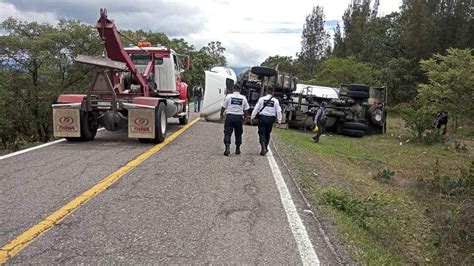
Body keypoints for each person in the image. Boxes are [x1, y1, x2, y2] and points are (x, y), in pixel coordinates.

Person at [251, 88, 282, 156]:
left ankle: (263, 147)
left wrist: (252, 117)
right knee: (267, 133)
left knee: (261, 132)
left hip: (262, 118)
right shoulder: (275, 101)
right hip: (271, 119)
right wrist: (279, 120)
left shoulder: (261, 99)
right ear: (272, 93)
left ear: (266, 92)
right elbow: (278, 111)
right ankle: (265, 147)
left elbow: (256, 108)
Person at [220, 84, 250, 156]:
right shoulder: (243, 98)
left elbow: (223, 106)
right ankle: (237, 149)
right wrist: (245, 118)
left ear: (233, 89)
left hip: (230, 116)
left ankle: (227, 147)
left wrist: (221, 114)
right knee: (238, 133)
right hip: (239, 117)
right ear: (239, 90)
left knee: (227, 132)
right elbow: (246, 110)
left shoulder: (229, 97)